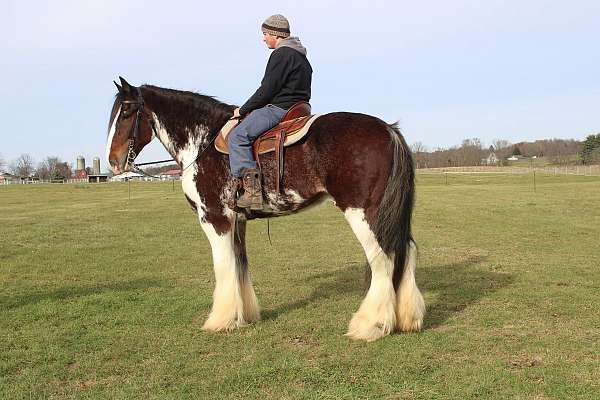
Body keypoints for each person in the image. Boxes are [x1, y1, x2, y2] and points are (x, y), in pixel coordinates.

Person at [228, 14, 312, 210]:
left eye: (265, 34)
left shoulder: (281, 54)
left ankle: (253, 192)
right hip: (299, 109)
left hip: (279, 109)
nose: (263, 38)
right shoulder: (301, 57)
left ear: (275, 34)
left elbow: (267, 90)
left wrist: (243, 109)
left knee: (237, 136)